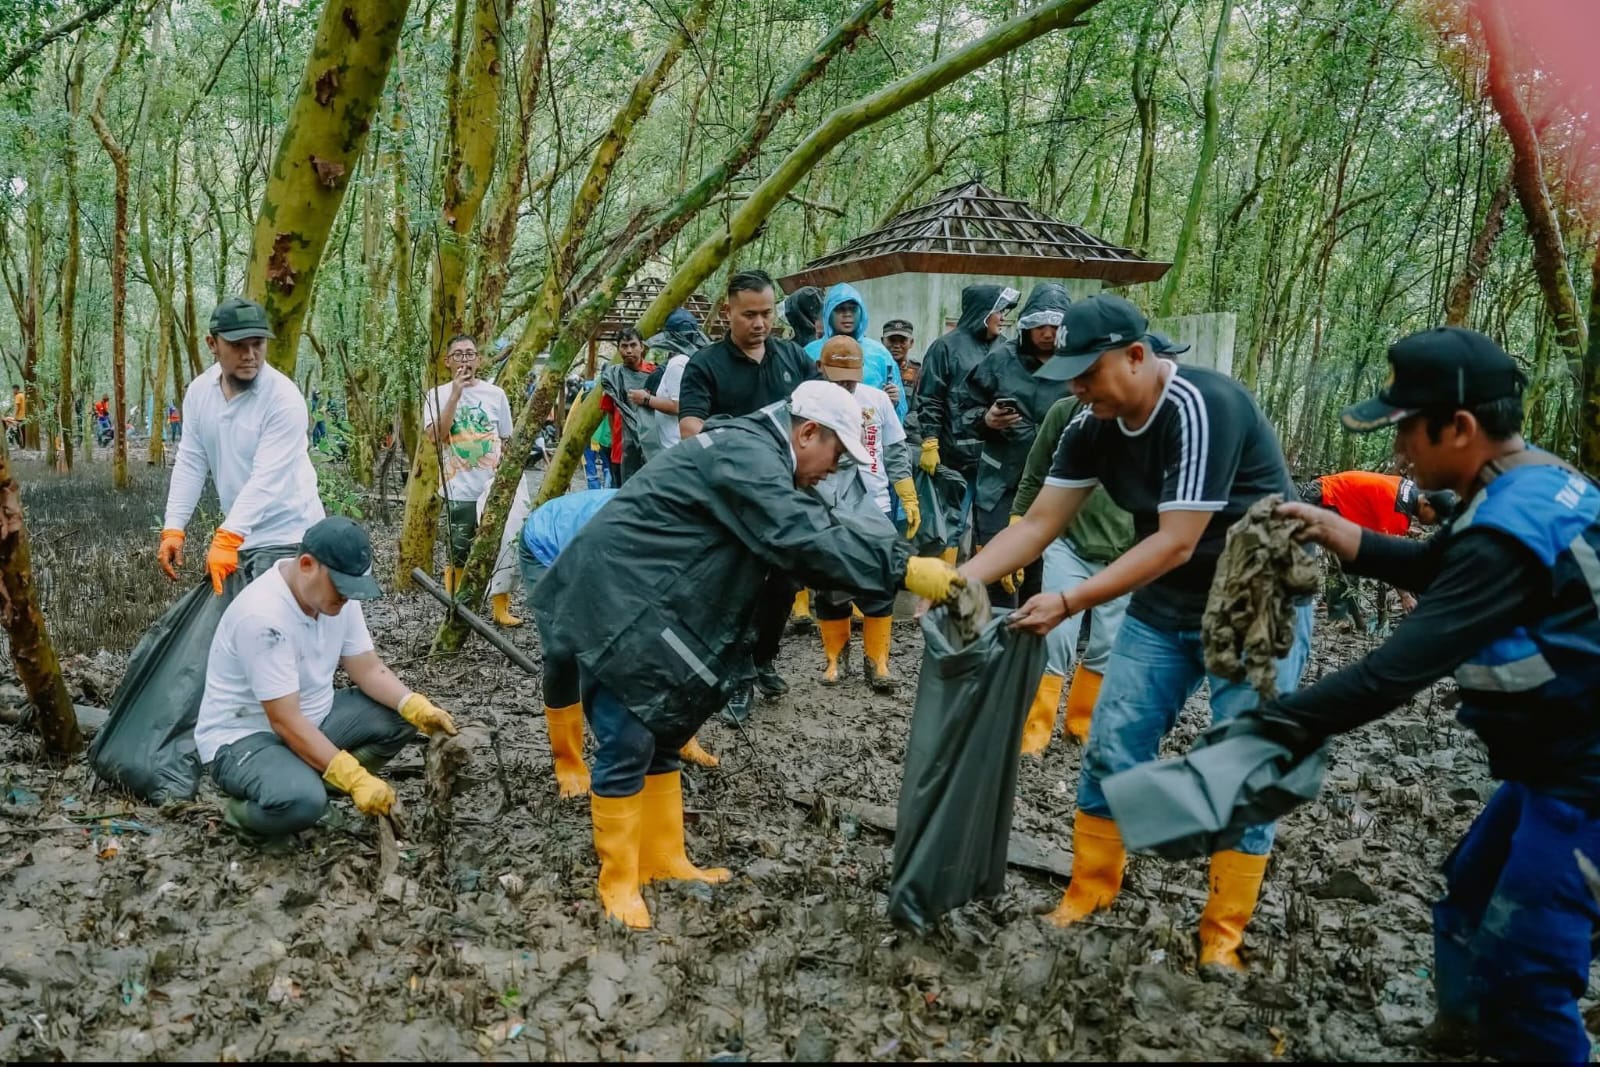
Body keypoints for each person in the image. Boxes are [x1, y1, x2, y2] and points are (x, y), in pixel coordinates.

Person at [1220, 327, 1600, 1061]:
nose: (1398, 452)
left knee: (1528, 967)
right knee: (1469, 897)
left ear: (1458, 428)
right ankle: (1464, 1032)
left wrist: (1269, 726)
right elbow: (1438, 567)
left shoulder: (1505, 529)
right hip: (1553, 760)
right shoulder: (1534, 480)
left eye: (1405, 430)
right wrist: (1346, 536)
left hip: (1585, 777)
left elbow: (1391, 673)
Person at [960, 293, 1314, 969]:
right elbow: (1039, 523)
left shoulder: (1202, 405)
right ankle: (1089, 891)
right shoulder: (1088, 424)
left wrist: (1068, 600)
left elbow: (1177, 540)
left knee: (1244, 761)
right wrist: (963, 580)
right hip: (1166, 600)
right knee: (1113, 742)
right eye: (1067, 375)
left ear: (1135, 355)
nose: (1075, 387)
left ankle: (1222, 934)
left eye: (1086, 372)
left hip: (1256, 596)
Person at [531, 379, 965, 930]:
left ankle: (663, 859)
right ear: (808, 433)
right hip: (617, 599)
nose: (835, 470)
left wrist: (897, 561)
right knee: (629, 736)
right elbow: (800, 535)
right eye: (836, 454)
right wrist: (905, 570)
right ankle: (617, 880)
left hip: (653, 596)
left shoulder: (762, 457)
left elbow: (822, 526)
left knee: (662, 731)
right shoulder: (747, 456)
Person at [195, 517, 458, 841]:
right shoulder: (263, 618)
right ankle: (242, 814)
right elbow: (285, 720)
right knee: (302, 802)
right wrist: (354, 778)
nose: (347, 597)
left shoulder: (335, 598)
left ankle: (315, 781)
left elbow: (367, 668)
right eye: (341, 587)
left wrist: (415, 705)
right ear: (307, 565)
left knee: (400, 716)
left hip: (314, 719)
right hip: (247, 738)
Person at [677, 269, 824, 721]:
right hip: (732, 496)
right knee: (736, 586)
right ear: (728, 312)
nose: (760, 323)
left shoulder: (793, 357)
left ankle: (762, 658)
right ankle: (736, 676)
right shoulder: (706, 364)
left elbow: (819, 410)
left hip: (786, 492)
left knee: (785, 581)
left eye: (767, 313)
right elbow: (690, 428)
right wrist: (737, 439)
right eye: (749, 315)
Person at [517, 488, 719, 799]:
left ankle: (683, 739)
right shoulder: (628, 538)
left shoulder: (696, 536)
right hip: (549, 544)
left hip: (609, 551)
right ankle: (567, 762)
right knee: (562, 651)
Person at [160, 296, 326, 593]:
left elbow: (267, 479)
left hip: (291, 538)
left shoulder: (283, 399)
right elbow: (192, 461)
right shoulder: (199, 392)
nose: (250, 355)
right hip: (242, 538)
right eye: (238, 345)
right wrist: (174, 527)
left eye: (258, 344)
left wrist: (228, 537)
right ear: (212, 344)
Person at [1008, 394, 1136, 755]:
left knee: (1107, 642)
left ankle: (1082, 725)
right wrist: (1018, 523)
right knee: (1057, 636)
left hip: (1124, 550)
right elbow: (1035, 472)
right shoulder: (1065, 411)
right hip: (1069, 541)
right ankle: (1036, 729)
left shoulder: (1151, 417)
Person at [952, 283, 1072, 606]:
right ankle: (995, 634)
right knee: (997, 571)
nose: (1047, 333)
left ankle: (1035, 634)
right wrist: (986, 419)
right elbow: (962, 410)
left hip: (1056, 486)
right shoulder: (1000, 359)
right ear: (1027, 326)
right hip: (999, 485)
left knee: (1043, 575)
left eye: (1055, 325)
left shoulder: (1079, 365)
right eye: (1040, 325)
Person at [812, 337, 919, 691]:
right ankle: (834, 659)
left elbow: (895, 448)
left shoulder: (876, 399)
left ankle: (878, 661)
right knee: (832, 584)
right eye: (838, 377)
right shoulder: (808, 402)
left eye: (851, 378)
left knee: (879, 581)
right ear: (821, 370)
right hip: (829, 504)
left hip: (876, 502)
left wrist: (906, 493)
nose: (845, 385)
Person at [912, 284, 1018, 563]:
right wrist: (930, 440)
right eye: (999, 310)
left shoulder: (1006, 348)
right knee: (950, 523)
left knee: (990, 525)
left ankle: (986, 582)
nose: (1003, 317)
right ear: (983, 312)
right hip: (953, 455)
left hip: (994, 456)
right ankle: (941, 583)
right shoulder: (945, 347)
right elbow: (930, 397)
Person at [422, 334, 514, 611]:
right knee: (459, 550)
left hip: (492, 487)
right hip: (458, 488)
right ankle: (457, 610)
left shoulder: (496, 394)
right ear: (447, 361)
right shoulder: (436, 395)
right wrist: (455, 394)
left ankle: (501, 609)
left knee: (500, 547)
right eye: (459, 354)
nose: (465, 359)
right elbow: (436, 436)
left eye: (470, 354)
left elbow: (506, 438)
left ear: (479, 360)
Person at [1298, 469, 1455, 622]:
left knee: (1350, 555)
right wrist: (1405, 596)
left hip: (1328, 490)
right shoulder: (1398, 512)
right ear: (1426, 504)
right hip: (1322, 498)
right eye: (1436, 519)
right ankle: (1323, 616)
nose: (1433, 523)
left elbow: (1379, 501)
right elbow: (1388, 560)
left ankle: (1340, 617)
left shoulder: (1409, 488)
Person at [803, 283, 907, 419]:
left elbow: (898, 411)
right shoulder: (809, 352)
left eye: (853, 309)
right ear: (828, 312)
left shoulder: (880, 354)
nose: (847, 315)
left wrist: (893, 402)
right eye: (840, 309)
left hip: (868, 426)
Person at [638, 309, 711, 454]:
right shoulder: (699, 361)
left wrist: (646, 399)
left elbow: (678, 406)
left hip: (676, 446)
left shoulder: (678, 362)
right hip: (689, 445)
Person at [599, 328, 657, 484]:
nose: (629, 350)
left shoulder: (655, 374)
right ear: (618, 349)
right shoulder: (612, 377)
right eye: (624, 346)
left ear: (642, 347)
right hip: (621, 450)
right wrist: (616, 440)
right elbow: (609, 412)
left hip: (649, 446)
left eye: (633, 345)